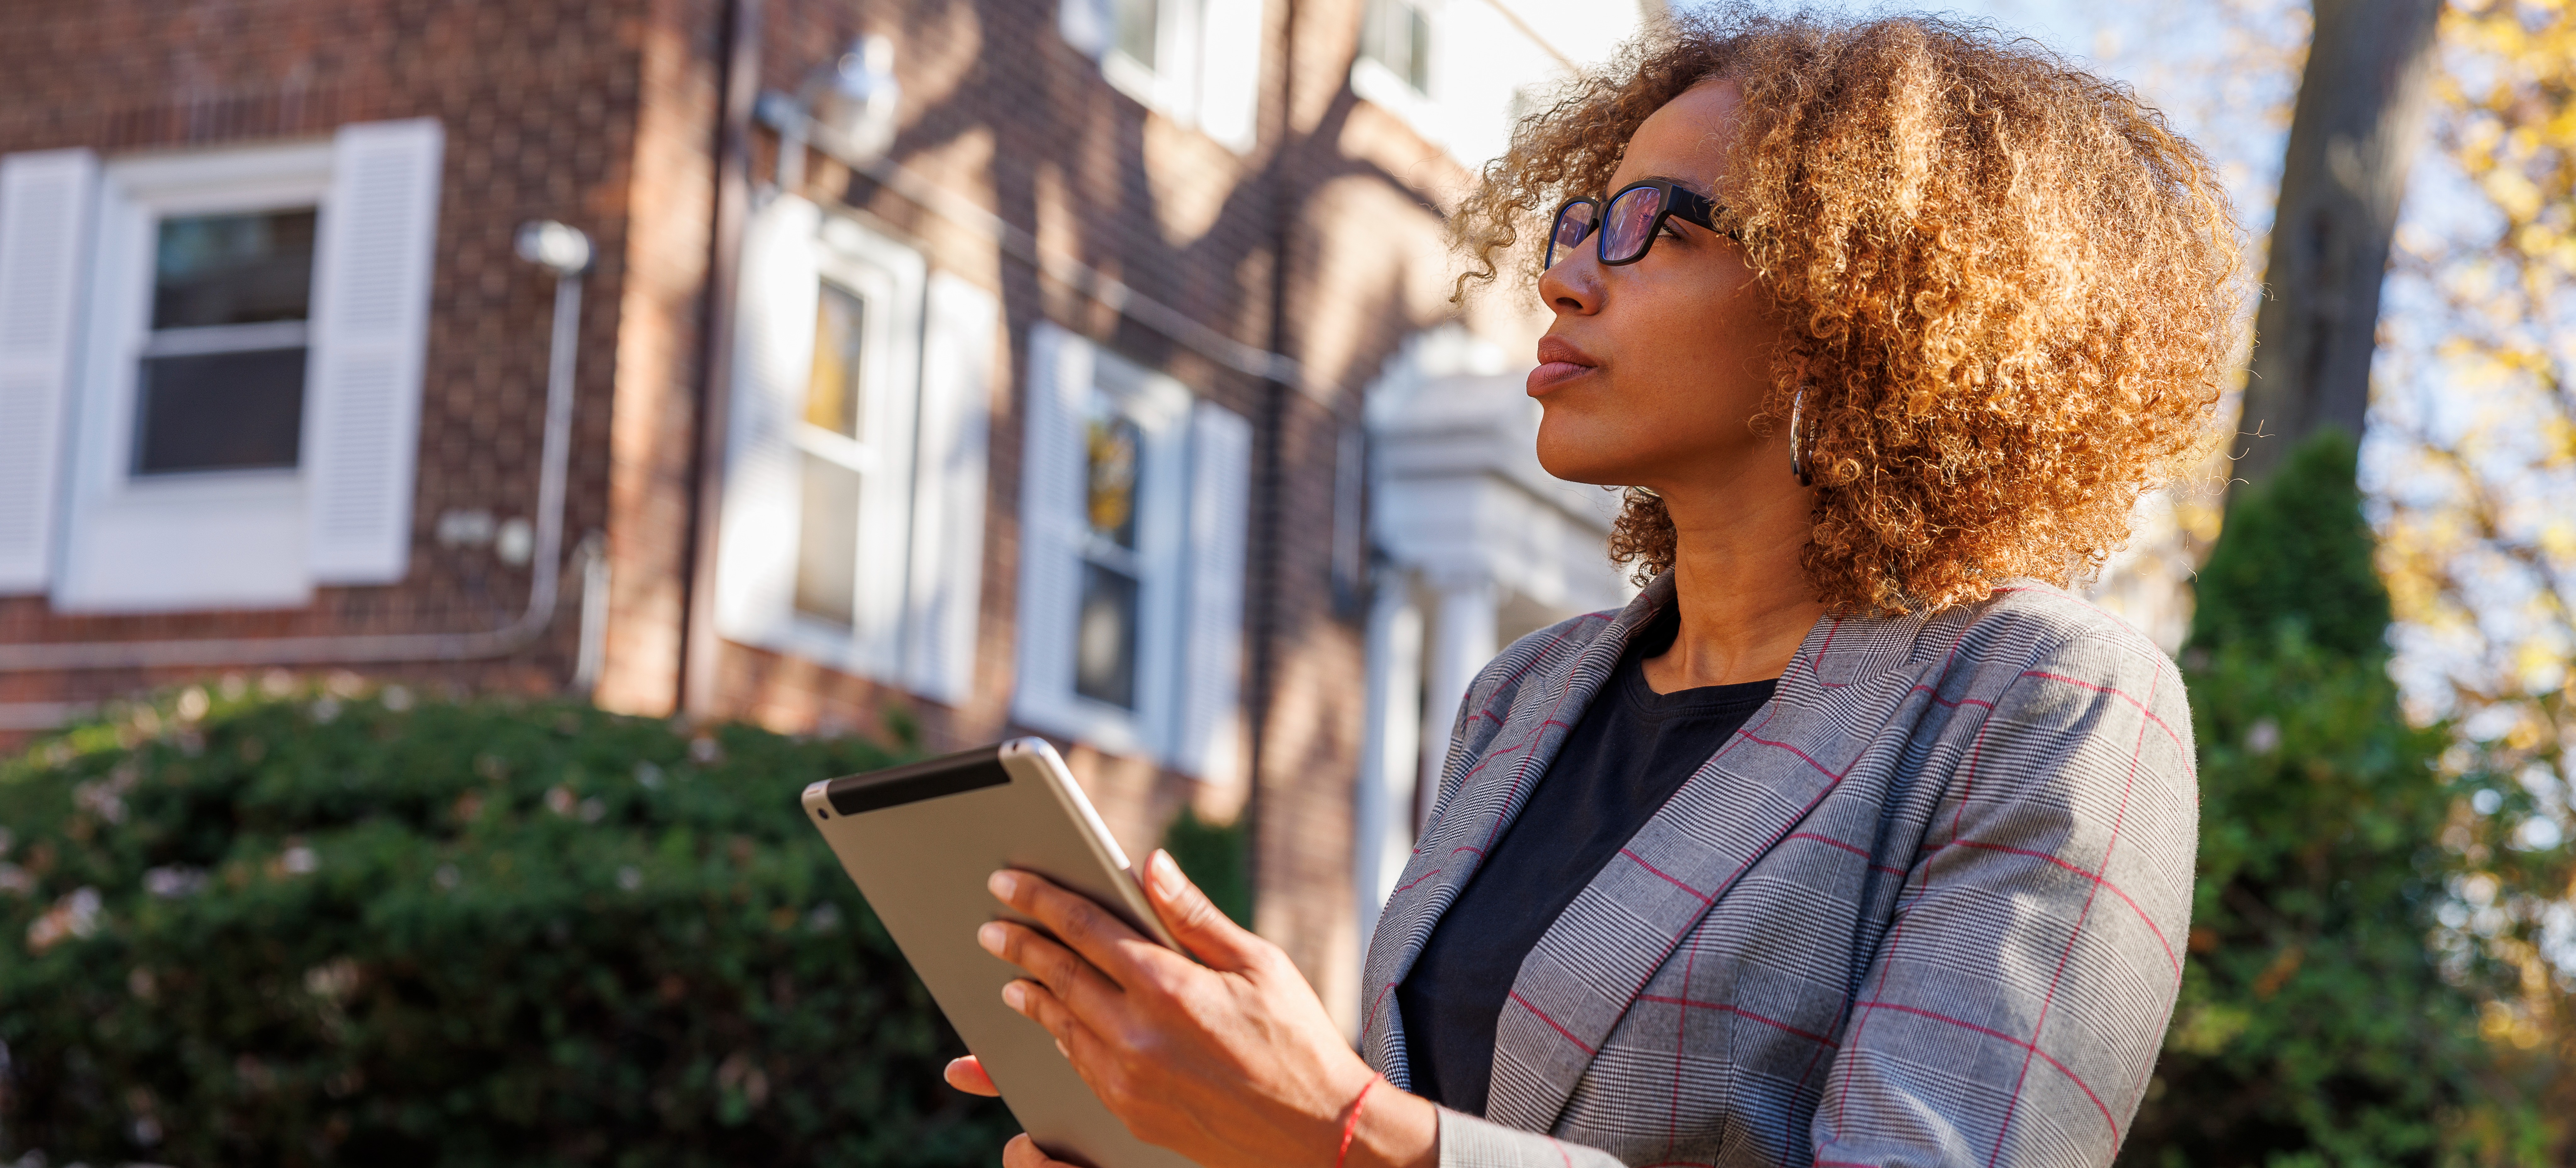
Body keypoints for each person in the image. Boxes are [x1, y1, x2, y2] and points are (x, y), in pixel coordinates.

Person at [947, 8, 2239, 1166]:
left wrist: (1342, 1133)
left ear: (1860, 299)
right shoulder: (1527, 692)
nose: (1564, 276)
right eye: (1579, 218)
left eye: (1655, 227)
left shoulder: (2041, 697)